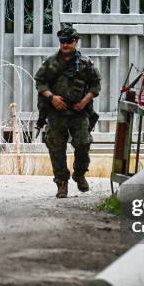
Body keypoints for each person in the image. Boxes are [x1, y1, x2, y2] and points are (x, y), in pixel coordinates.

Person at [34, 26, 101, 198]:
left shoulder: (85, 63)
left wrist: (84, 102)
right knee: (56, 148)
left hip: (79, 113)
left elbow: (95, 85)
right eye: (62, 41)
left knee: (83, 143)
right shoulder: (50, 63)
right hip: (56, 113)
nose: (65, 45)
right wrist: (52, 98)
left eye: (68, 41)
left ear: (75, 42)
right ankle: (61, 183)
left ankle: (79, 174)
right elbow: (40, 83)